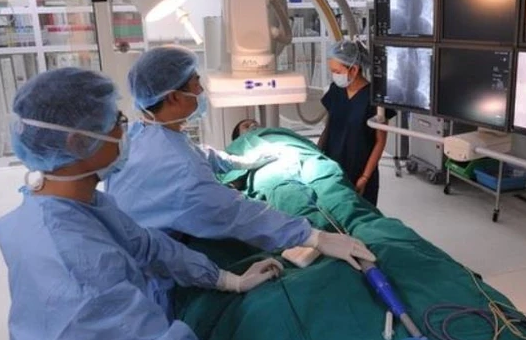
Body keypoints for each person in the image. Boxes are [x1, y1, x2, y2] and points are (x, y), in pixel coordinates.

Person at [0, 67, 340, 340]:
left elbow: (147, 244)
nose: (126, 130)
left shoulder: (72, 203)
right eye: (115, 121)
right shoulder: (73, 264)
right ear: (77, 142)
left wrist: (224, 278)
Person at [106, 45, 376, 270]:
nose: (201, 90)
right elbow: (239, 215)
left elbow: (197, 154)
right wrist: (313, 236)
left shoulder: (137, 134)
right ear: (174, 97)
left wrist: (241, 162)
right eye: (196, 82)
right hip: (151, 266)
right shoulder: (184, 171)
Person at [320, 40, 393, 206]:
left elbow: (380, 142)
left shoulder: (375, 98)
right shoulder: (336, 90)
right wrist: (317, 155)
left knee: (359, 214)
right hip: (332, 167)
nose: (334, 75)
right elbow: (328, 127)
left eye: (337, 71)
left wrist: (365, 177)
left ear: (353, 69)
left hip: (360, 170)